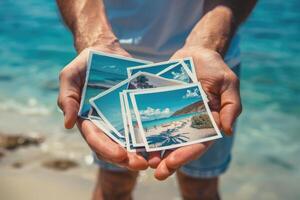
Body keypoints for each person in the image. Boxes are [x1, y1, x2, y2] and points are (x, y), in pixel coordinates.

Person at [56, 0, 256, 199]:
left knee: (200, 189)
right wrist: (95, 40)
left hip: (207, 68)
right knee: (113, 184)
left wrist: (208, 45)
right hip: (113, 69)